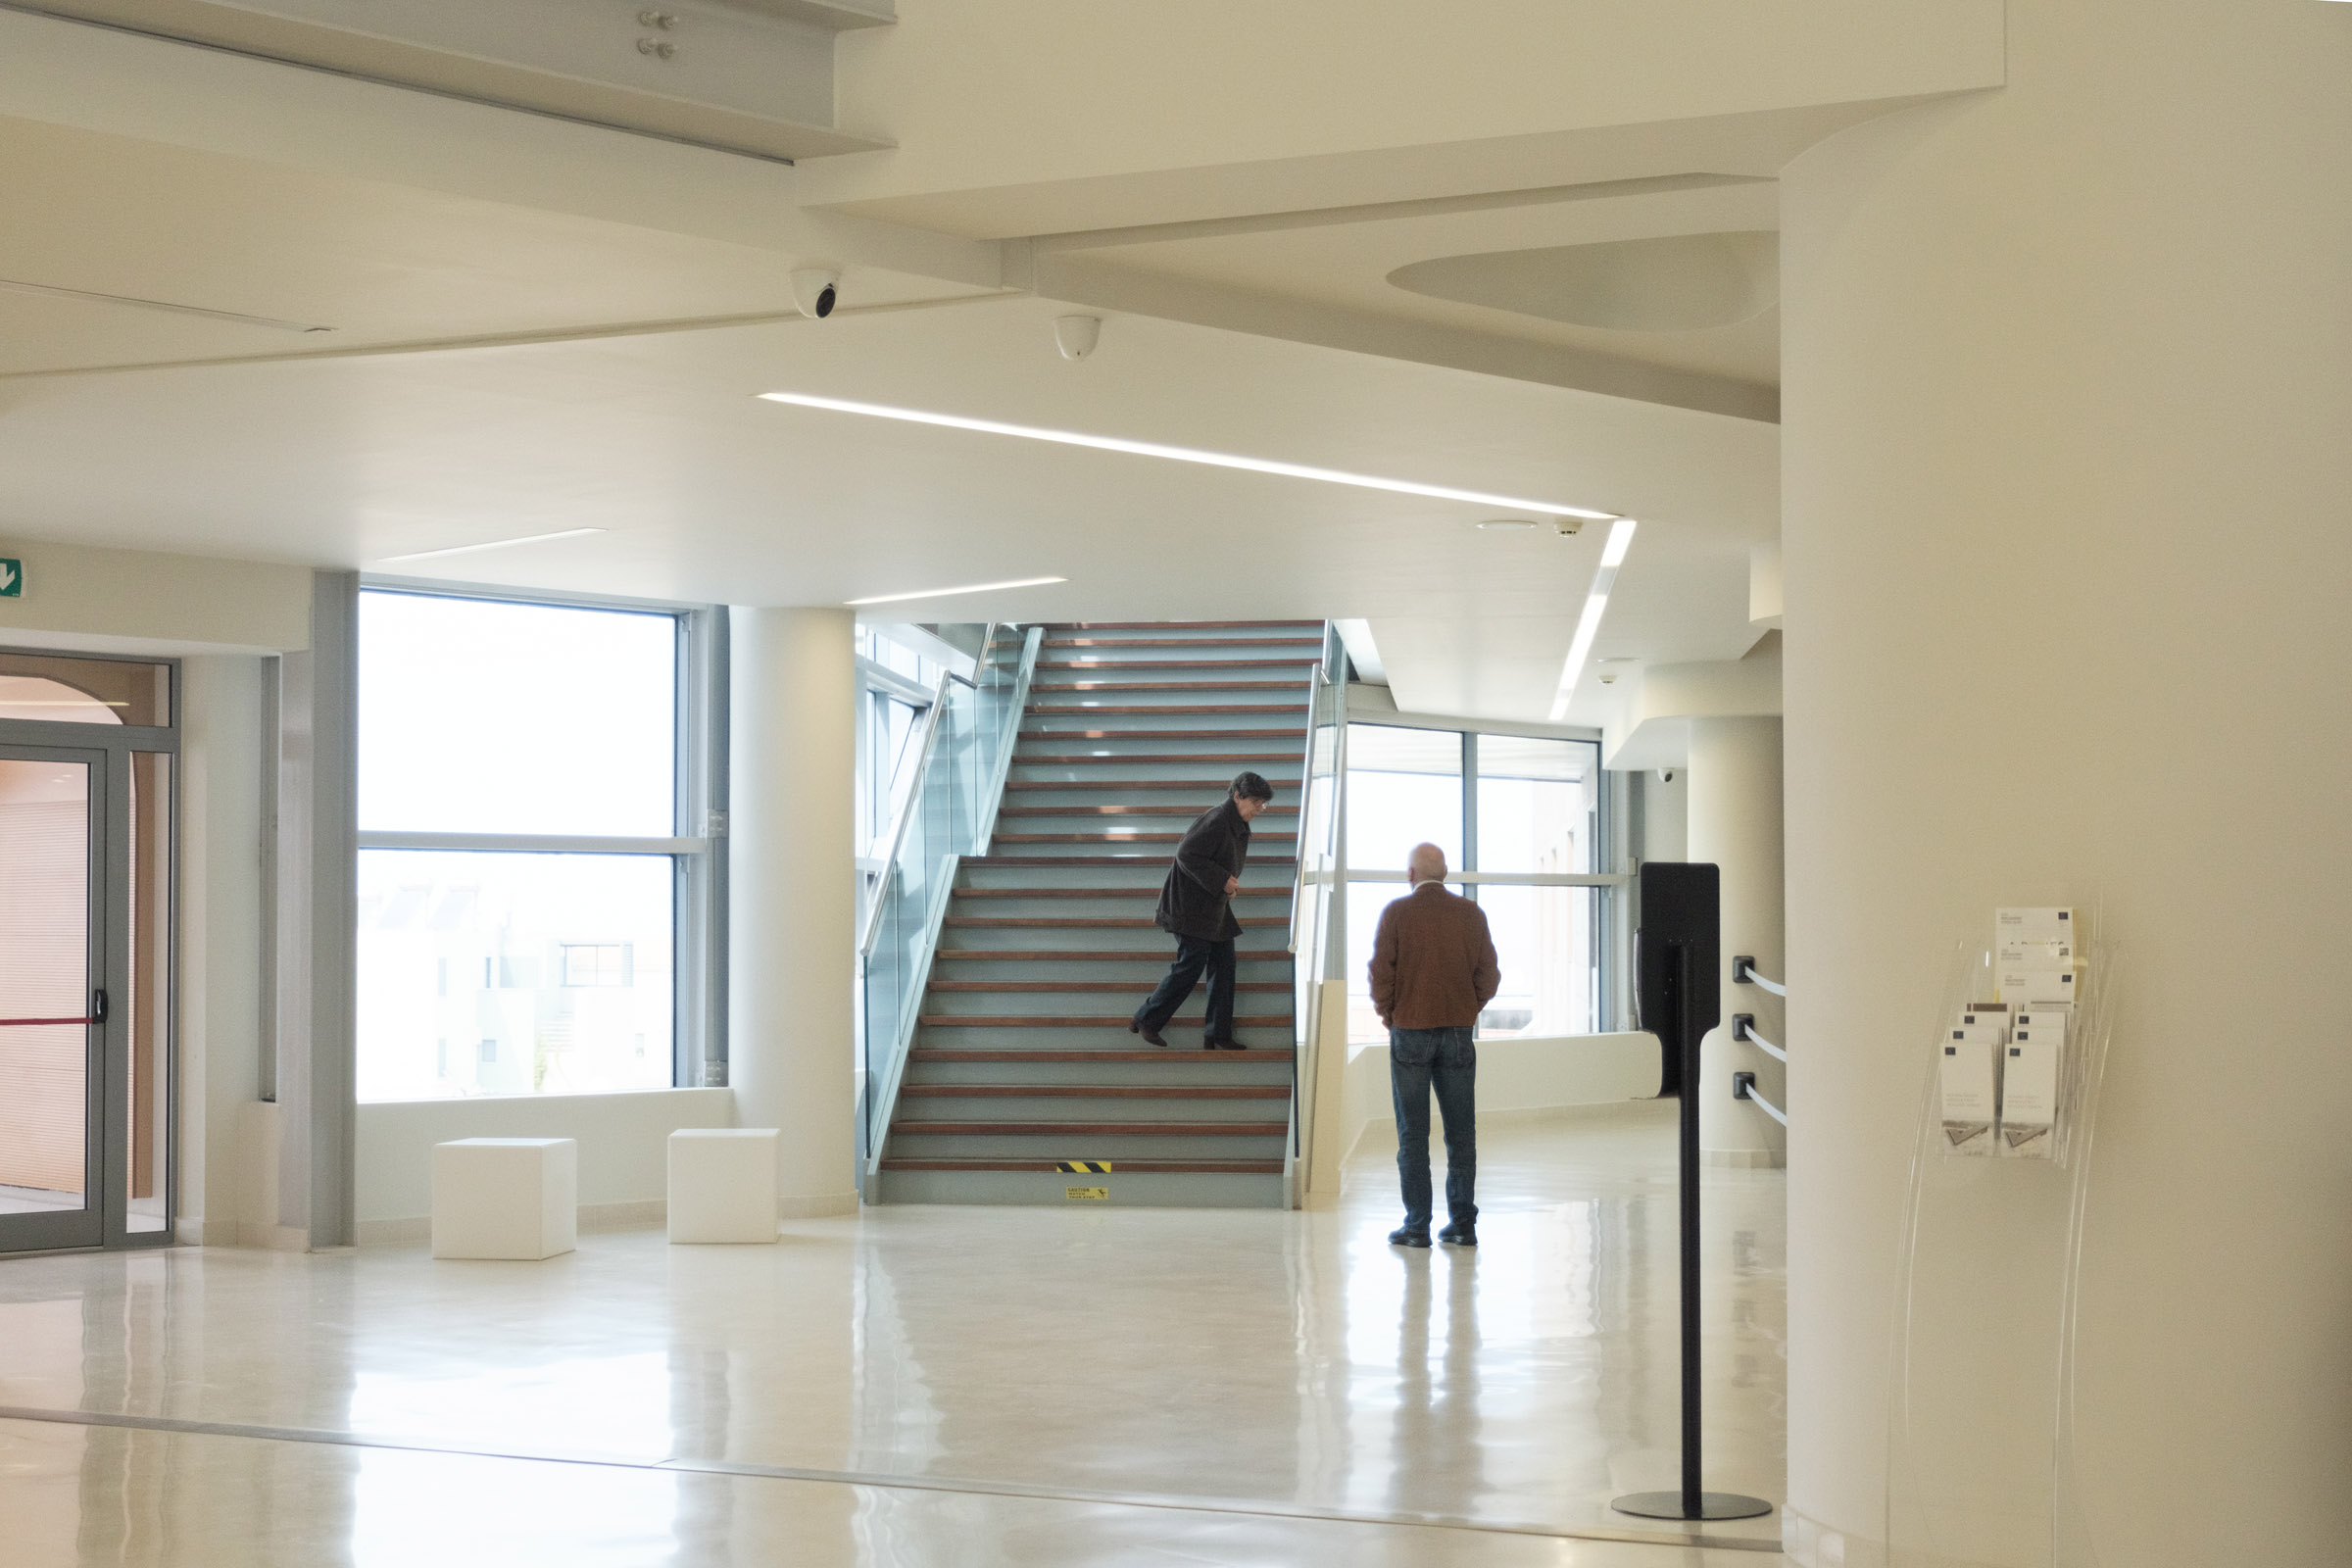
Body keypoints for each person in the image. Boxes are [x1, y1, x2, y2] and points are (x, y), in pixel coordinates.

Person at [1369, 843, 1499, 1249]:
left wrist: (1390, 1014)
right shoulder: (1471, 914)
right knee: (1462, 1135)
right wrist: (1468, 1009)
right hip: (1458, 1033)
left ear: (1411, 874)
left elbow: (1380, 974)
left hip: (1410, 1031)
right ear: (1445, 874)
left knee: (1413, 1135)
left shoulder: (1396, 913)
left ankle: (1416, 1226)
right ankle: (1462, 1225)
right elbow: (1489, 976)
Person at [1130, 771, 1274, 1051]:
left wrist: (1226, 884)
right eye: (1256, 802)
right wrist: (1222, 880)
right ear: (1237, 796)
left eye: (1263, 804)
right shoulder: (1218, 819)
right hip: (1189, 907)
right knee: (1191, 964)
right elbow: (1186, 854)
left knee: (1224, 966)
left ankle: (1217, 1034)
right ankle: (1146, 1019)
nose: (1260, 808)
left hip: (1211, 909)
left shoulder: (1237, 823)